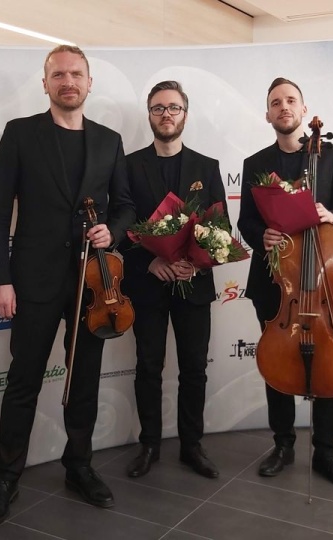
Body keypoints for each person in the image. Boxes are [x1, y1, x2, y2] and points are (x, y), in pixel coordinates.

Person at [0, 45, 136, 526]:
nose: (68, 82)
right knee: (23, 380)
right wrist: (0, 278)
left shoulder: (110, 141)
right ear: (45, 83)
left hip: (92, 284)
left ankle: (79, 465)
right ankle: (6, 476)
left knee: (84, 378)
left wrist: (112, 230)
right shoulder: (20, 133)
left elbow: (127, 207)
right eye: (59, 75)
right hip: (33, 280)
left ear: (90, 84)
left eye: (76, 74)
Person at [236, 77, 333, 488]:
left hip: (322, 282)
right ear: (268, 114)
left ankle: (326, 453)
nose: (283, 107)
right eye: (276, 102)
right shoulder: (255, 163)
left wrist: (332, 216)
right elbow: (247, 222)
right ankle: (283, 444)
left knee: (330, 362)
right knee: (279, 362)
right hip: (276, 282)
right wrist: (262, 236)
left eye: (291, 100)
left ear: (304, 111)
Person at [120, 81, 226, 480]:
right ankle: (149, 444)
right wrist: (150, 263)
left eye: (174, 108)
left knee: (194, 368)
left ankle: (191, 445)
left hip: (194, 283)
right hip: (147, 284)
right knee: (147, 365)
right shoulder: (129, 166)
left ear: (185, 113)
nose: (166, 115)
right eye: (158, 108)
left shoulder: (207, 166)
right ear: (149, 115)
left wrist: (194, 265)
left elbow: (219, 228)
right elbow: (122, 225)